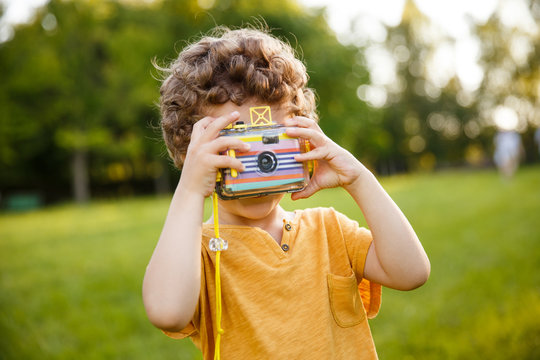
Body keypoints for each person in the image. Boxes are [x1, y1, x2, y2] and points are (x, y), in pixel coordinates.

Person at [142, 26, 430, 359]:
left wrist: (358, 178)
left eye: (270, 142)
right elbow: (167, 311)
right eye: (234, 144)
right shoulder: (199, 253)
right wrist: (191, 191)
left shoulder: (330, 230)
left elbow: (412, 272)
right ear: (189, 152)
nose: (258, 162)